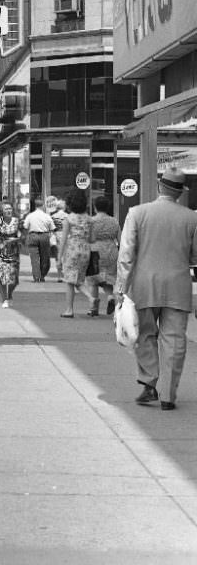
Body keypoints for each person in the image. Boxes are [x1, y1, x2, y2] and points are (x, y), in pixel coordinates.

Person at [114, 166, 197, 411]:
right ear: (180, 193)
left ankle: (149, 382)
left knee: (145, 335)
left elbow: (126, 253)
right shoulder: (192, 218)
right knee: (174, 340)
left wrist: (121, 287)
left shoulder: (137, 213)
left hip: (143, 286)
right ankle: (168, 395)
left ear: (160, 187)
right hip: (178, 287)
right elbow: (195, 256)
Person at [57, 190, 93, 318]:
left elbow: (63, 239)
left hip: (72, 249)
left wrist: (59, 258)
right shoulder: (89, 219)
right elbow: (92, 238)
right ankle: (91, 297)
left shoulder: (69, 218)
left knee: (69, 281)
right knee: (78, 279)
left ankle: (69, 309)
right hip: (85, 250)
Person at [84, 194, 120, 317]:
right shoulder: (114, 221)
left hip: (95, 251)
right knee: (108, 279)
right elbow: (119, 239)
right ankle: (110, 297)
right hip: (111, 250)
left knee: (93, 279)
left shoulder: (91, 221)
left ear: (95, 207)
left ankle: (94, 308)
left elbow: (87, 238)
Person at [0, 198, 21, 307]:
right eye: (6, 209)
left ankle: (9, 294)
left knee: (13, 280)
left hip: (13, 254)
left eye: (10, 208)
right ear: (1, 211)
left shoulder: (17, 222)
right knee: (1, 277)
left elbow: (23, 237)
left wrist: (14, 240)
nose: (9, 210)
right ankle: (5, 299)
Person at [21, 196, 55, 282]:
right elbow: (52, 228)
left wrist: (25, 236)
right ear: (43, 206)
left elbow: (25, 226)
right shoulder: (47, 216)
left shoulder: (30, 216)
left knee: (34, 258)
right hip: (44, 236)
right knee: (45, 257)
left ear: (35, 206)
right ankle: (42, 275)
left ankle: (36, 277)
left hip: (33, 236)